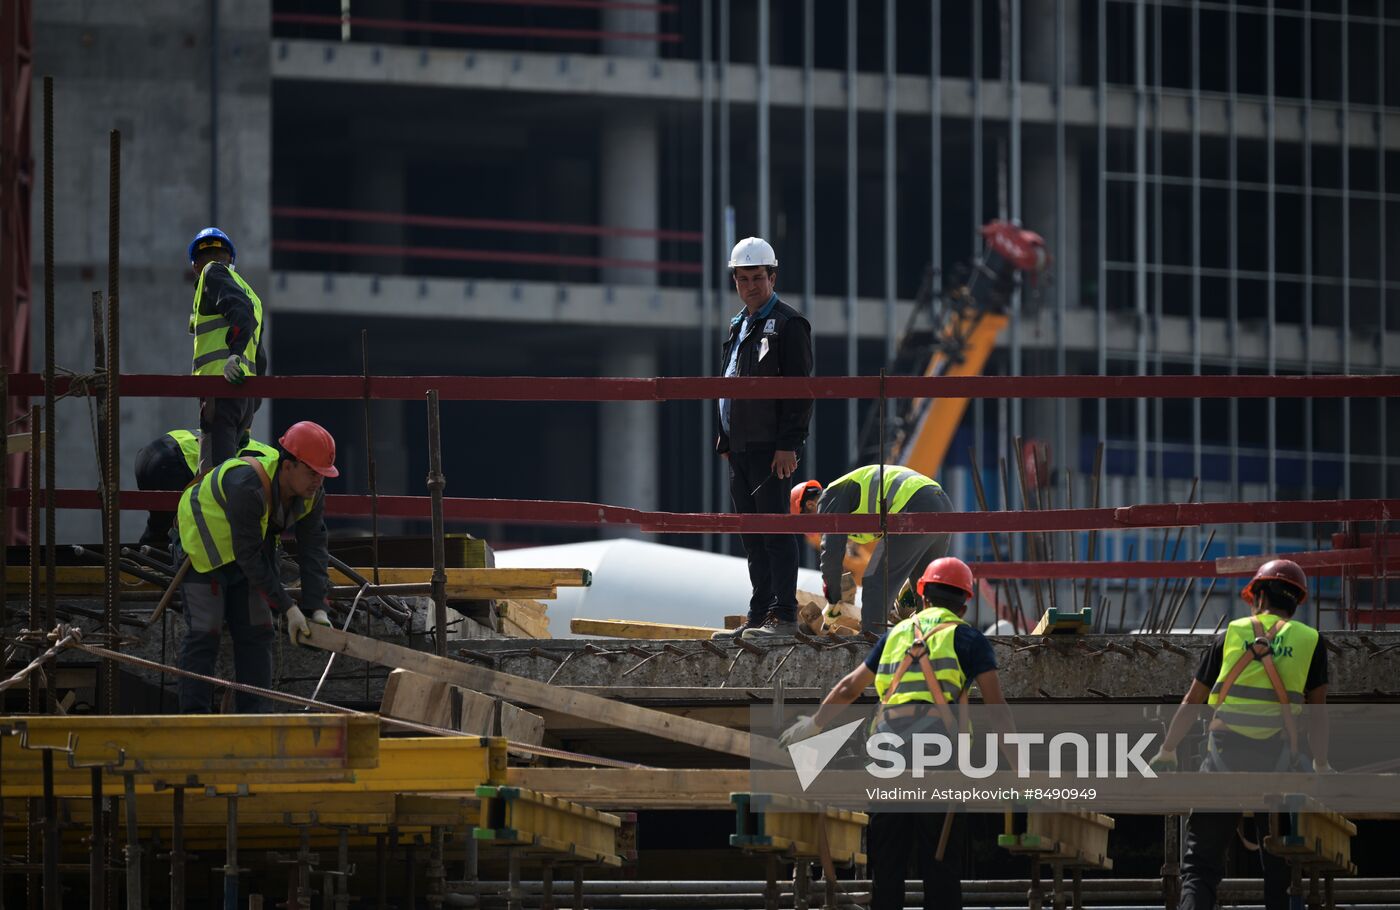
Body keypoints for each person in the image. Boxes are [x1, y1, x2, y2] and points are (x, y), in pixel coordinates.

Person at [780, 557, 1015, 910]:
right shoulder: (968, 638)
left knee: (887, 870)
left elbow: (848, 688)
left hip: (887, 757)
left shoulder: (896, 635)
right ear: (964, 604)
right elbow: (998, 713)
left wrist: (813, 725)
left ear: (922, 596)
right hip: (939, 761)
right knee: (941, 870)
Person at [1148, 559, 1330, 910]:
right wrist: (1321, 765)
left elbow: (1192, 702)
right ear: (1295, 601)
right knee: (1282, 868)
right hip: (1278, 763)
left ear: (1258, 595)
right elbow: (1319, 715)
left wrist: (1168, 750)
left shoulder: (1229, 635)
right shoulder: (1311, 642)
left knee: (1200, 867)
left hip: (1224, 760)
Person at [172, 421, 337, 713]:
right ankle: (194, 722)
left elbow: (313, 549)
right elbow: (249, 555)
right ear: (288, 466)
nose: (318, 481)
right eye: (312, 472)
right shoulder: (247, 484)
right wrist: (289, 608)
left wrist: (316, 608)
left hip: (244, 550)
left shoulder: (311, 494)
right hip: (203, 547)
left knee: (258, 632)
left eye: (323, 475)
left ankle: (255, 720)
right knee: (204, 631)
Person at [713, 236, 813, 641]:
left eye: (758, 277)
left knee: (774, 532)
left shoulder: (790, 325)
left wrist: (788, 444)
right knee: (752, 535)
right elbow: (729, 383)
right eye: (743, 278)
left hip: (771, 449)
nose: (751, 286)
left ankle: (783, 616)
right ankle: (759, 614)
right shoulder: (740, 324)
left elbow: (799, 390)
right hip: (740, 447)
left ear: (772, 276)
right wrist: (725, 439)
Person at [793, 465, 955, 633]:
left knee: (875, 581)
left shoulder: (830, 496)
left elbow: (831, 555)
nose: (816, 531)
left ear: (811, 505)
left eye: (808, 523)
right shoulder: (846, 496)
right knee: (927, 588)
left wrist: (833, 600)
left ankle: (869, 645)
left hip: (915, 505)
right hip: (941, 504)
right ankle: (933, 641)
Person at [188, 227, 266, 471]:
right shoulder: (252, 295)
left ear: (195, 267)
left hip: (219, 389)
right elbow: (261, 360)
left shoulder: (211, 273)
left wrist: (233, 354)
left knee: (213, 478)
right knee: (228, 475)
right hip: (244, 399)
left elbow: (240, 313)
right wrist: (251, 413)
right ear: (231, 258)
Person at [135, 428, 277, 547]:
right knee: (181, 534)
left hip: (153, 452)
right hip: (174, 460)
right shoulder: (270, 468)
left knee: (161, 528)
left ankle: (140, 564)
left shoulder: (269, 456)